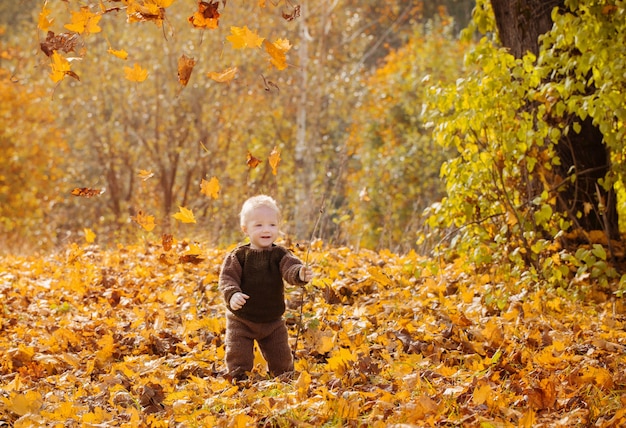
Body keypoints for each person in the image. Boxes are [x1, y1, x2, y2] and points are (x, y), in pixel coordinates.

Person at [218, 195, 313, 381]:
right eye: (259, 225)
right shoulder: (238, 256)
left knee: (281, 355)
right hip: (242, 319)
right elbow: (227, 278)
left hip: (272, 321)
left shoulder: (280, 254)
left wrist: (299, 274)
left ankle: (284, 378)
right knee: (238, 354)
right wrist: (232, 294)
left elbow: (289, 268)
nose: (266, 230)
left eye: (272, 225)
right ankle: (239, 379)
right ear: (246, 229)